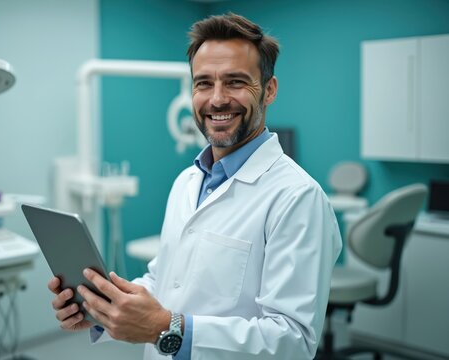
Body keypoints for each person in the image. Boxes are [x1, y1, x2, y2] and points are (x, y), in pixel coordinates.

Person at [48, 13, 342, 359]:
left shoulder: (298, 198)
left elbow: (292, 341)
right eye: (203, 83)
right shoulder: (187, 181)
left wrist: (167, 327)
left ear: (269, 90)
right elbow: (164, 280)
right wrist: (102, 309)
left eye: (235, 82)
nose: (216, 99)